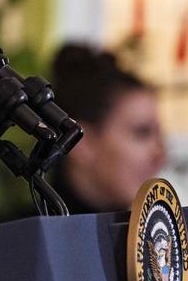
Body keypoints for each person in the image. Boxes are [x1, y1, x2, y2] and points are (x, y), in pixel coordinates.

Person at [47, 43, 166, 214]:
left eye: (159, 135)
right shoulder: (26, 229)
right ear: (81, 143)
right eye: (142, 133)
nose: (160, 154)